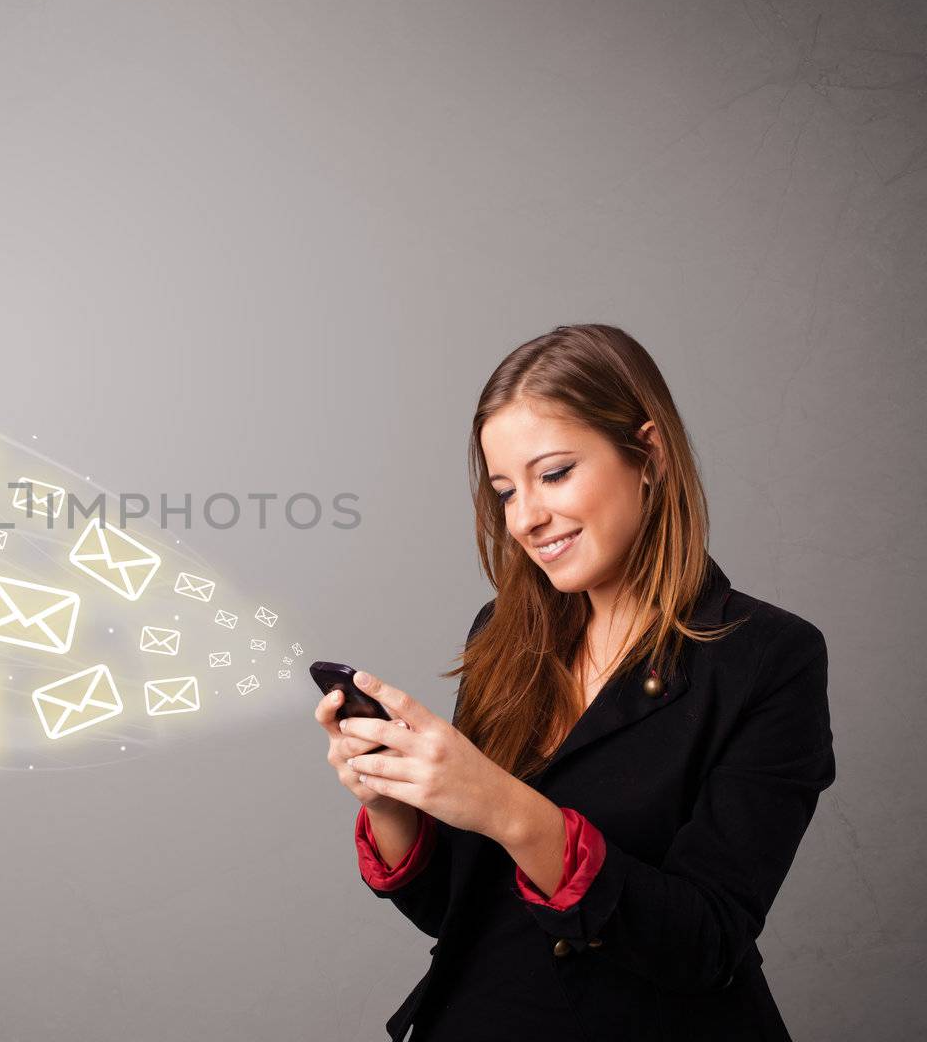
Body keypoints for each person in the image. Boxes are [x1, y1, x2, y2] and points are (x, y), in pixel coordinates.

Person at [316, 324, 835, 1040]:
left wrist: (503, 805)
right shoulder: (503, 633)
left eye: (554, 474)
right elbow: (460, 912)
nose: (526, 518)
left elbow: (705, 942)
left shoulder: (770, 657)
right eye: (505, 491)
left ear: (647, 453)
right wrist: (394, 802)